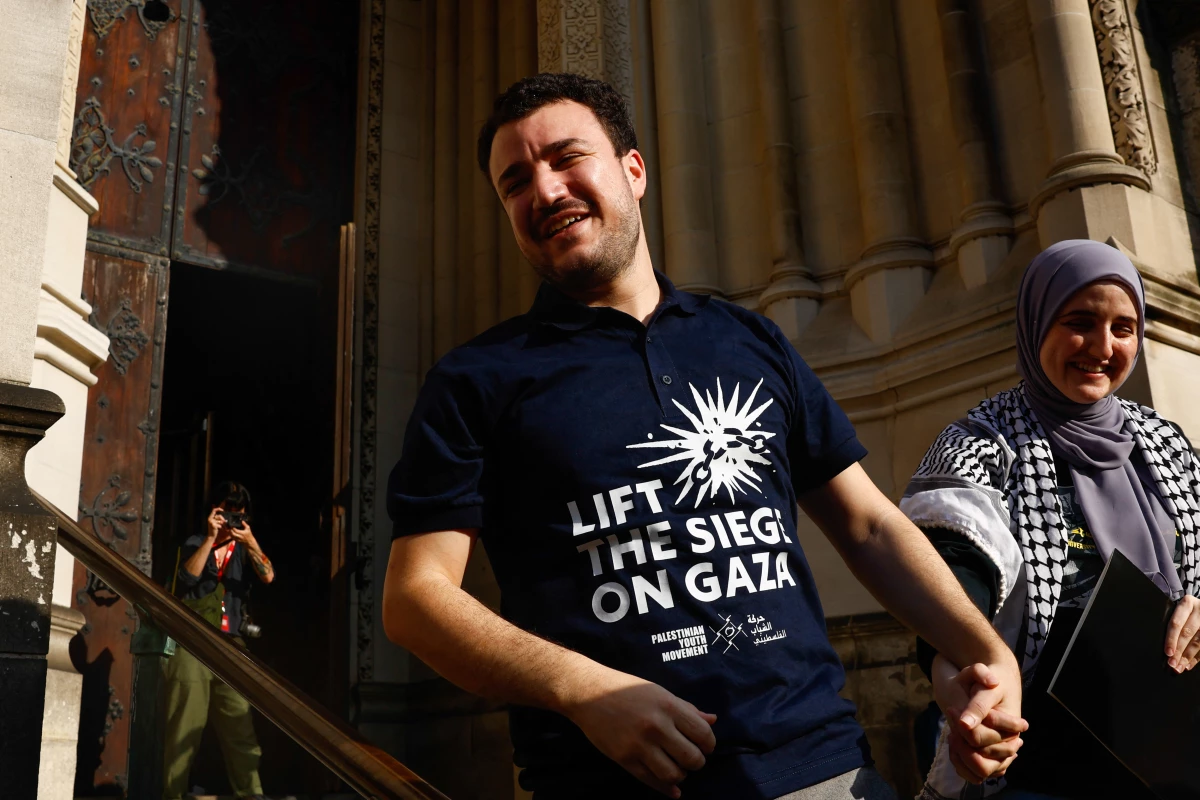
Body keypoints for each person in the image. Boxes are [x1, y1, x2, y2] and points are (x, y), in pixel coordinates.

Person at [382, 73, 1025, 800]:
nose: (545, 190)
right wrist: (582, 687)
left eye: (566, 157)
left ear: (634, 170)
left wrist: (985, 652)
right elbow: (415, 599)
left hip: (823, 770)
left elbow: (870, 525)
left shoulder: (749, 340)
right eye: (516, 182)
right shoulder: (477, 381)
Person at [902, 239, 1200, 799]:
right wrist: (963, 692)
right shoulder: (980, 445)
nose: (1102, 346)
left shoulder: (1166, 445)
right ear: (1037, 321)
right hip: (1041, 764)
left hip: (1172, 755)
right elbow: (945, 596)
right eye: (1080, 321)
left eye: (1124, 328)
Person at [162, 480, 275, 800]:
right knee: (184, 725)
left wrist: (251, 541)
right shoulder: (195, 542)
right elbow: (184, 579)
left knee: (241, 724)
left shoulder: (244, 549)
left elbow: (268, 575)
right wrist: (211, 537)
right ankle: (168, 793)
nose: (232, 523)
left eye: (238, 516)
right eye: (226, 514)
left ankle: (251, 794)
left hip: (232, 645)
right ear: (213, 513)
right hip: (193, 642)